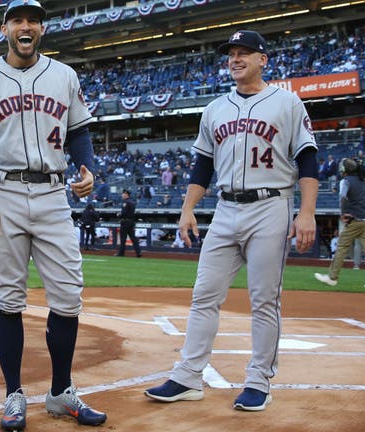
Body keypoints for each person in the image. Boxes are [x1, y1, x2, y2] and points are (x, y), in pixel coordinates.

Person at [0, 1, 107, 429]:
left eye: (33, 20)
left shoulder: (64, 75)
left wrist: (86, 165)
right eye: (17, 19)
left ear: (42, 29)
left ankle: (60, 392)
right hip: (2, 191)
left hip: (55, 192)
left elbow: (78, 130)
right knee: (8, 298)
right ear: (3, 29)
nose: (25, 26)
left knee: (69, 296)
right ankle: (13, 395)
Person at [144, 30, 319, 412]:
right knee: (204, 295)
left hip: (270, 205)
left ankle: (258, 381)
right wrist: (187, 208)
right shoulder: (215, 109)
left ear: (263, 60)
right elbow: (202, 164)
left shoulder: (287, 103)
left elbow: (307, 158)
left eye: (244, 52)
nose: (235, 58)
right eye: (231, 54)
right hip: (225, 208)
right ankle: (188, 376)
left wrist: (306, 213)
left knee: (263, 299)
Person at [315, 158, 365, 289]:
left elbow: (342, 198)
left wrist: (343, 213)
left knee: (341, 247)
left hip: (354, 220)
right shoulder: (364, 181)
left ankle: (332, 277)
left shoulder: (345, 181)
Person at [115, 190, 141, 257]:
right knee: (133, 238)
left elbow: (124, 213)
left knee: (123, 239)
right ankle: (138, 253)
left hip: (125, 222)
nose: (122, 195)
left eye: (123, 194)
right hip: (131, 222)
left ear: (126, 194)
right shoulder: (132, 202)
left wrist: (119, 215)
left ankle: (121, 253)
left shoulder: (126, 202)